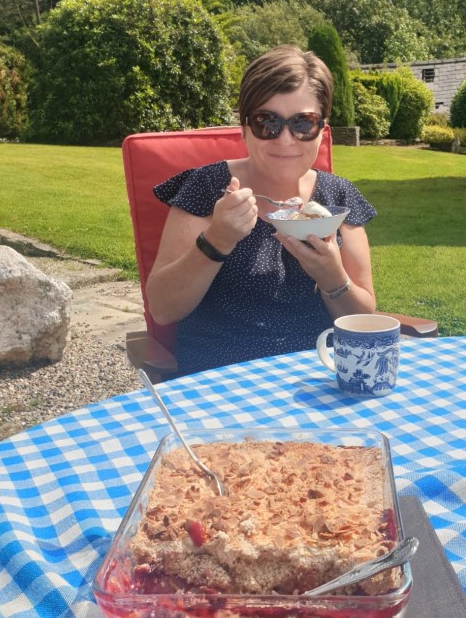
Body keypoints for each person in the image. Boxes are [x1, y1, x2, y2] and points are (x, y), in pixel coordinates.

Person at [146, 45, 377, 375]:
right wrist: (217, 240)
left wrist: (333, 279)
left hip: (319, 374)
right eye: (267, 122)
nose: (285, 140)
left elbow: (365, 322)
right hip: (224, 377)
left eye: (304, 123)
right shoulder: (207, 188)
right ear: (244, 128)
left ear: (322, 131)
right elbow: (163, 309)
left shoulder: (339, 197)